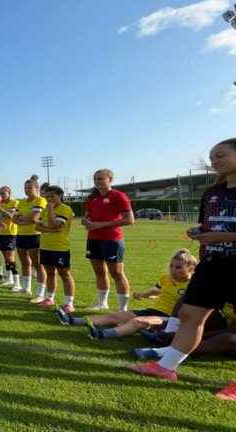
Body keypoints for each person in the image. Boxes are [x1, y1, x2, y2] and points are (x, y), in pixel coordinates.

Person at [130, 139, 236, 392]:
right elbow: (209, 226)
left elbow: (221, 232)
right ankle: (166, 368)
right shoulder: (212, 192)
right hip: (212, 264)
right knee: (189, 316)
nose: (215, 161)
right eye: (212, 157)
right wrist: (198, 231)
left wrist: (224, 237)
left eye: (221, 155)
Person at [57, 249, 196, 340]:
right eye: (172, 265)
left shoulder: (194, 284)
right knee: (115, 315)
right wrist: (142, 294)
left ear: (190, 269)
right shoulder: (165, 278)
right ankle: (72, 320)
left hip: (169, 318)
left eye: (178, 267)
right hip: (152, 311)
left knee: (137, 322)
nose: (173, 269)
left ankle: (101, 334)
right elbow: (156, 290)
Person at [83, 168, 134, 312]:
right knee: (99, 272)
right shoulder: (92, 198)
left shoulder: (119, 196)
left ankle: (123, 309)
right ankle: (102, 303)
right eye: (95, 179)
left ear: (110, 180)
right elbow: (88, 217)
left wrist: (100, 225)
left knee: (117, 273)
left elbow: (130, 220)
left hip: (112, 240)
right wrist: (86, 221)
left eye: (100, 178)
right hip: (93, 239)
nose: (97, 182)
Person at [34, 185, 76, 309]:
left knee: (65, 274)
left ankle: (69, 303)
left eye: (52, 196)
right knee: (50, 273)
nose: (49, 199)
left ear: (60, 196)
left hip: (60, 248)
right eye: (47, 197)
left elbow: (56, 225)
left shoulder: (65, 209)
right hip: (45, 246)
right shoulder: (46, 209)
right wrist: (50, 229)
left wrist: (51, 211)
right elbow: (37, 227)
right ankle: (49, 299)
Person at [13, 176, 47, 298]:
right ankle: (26, 288)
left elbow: (34, 218)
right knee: (24, 263)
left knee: (37, 265)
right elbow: (14, 219)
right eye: (25, 188)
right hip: (21, 235)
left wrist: (22, 219)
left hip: (34, 235)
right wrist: (25, 219)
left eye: (30, 188)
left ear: (36, 188)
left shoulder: (40, 200)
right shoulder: (21, 202)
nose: (27, 190)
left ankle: (40, 293)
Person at [0, 186, 22, 290]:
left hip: (11, 233)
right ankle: (9, 278)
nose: (2, 195)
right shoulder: (1, 203)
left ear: (9, 193)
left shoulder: (15, 202)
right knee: (6, 258)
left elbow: (11, 215)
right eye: (0, 193)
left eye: (3, 193)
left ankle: (17, 283)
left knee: (11, 258)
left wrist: (0, 210)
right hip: (2, 233)